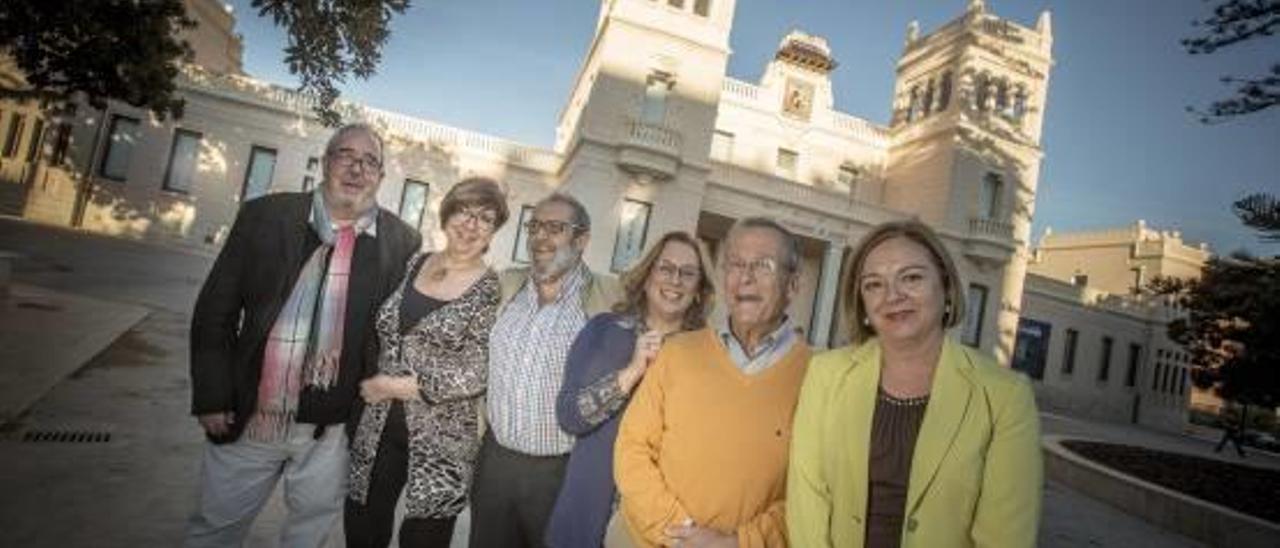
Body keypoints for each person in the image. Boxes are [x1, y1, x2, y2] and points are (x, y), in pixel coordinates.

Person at [186, 123, 421, 547]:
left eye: (370, 162)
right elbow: (215, 312)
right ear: (326, 162)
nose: (357, 169)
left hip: (329, 437)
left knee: (307, 538)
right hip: (250, 417)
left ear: (380, 178)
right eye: (346, 156)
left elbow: (393, 338)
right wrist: (212, 394)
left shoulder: (400, 242)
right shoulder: (265, 216)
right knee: (213, 530)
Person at [787, 220, 1042, 548]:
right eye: (874, 285)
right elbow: (807, 500)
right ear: (862, 304)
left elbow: (1006, 537)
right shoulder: (825, 374)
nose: (893, 295)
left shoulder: (1005, 396)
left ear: (946, 288)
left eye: (911, 277)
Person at [615, 217, 811, 548]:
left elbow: (811, 493)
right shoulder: (676, 352)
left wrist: (737, 543)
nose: (745, 277)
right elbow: (632, 449)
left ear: (792, 285)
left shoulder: (817, 376)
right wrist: (682, 533)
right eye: (735, 264)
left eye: (762, 265)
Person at [344, 177, 509, 547]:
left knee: (424, 542)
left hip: (443, 442)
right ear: (447, 213)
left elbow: (477, 370)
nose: (470, 225)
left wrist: (394, 386)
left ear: (494, 230)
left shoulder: (489, 288)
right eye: (463, 212)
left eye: (484, 218)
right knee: (361, 531)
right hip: (379, 426)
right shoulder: (414, 262)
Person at [545, 231, 716, 548]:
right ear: (648, 274)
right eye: (665, 268)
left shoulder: (709, 357)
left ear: (699, 290)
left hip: (655, 529)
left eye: (688, 273)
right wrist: (632, 371)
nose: (675, 280)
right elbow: (569, 417)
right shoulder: (602, 329)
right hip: (583, 518)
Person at [469, 192, 621, 548]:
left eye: (555, 228)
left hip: (563, 473)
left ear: (581, 240)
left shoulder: (610, 298)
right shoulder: (505, 285)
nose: (540, 237)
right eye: (534, 226)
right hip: (495, 463)